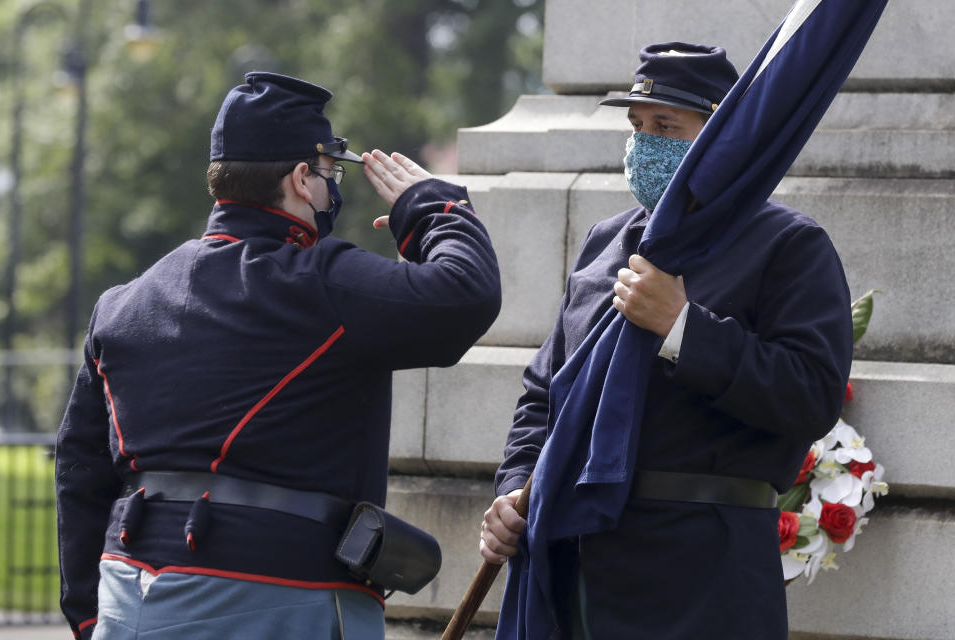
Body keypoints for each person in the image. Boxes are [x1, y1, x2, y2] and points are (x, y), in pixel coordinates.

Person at [55, 71, 501, 640]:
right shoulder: (321, 283)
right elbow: (467, 294)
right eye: (330, 173)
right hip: (283, 598)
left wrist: (90, 618)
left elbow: (79, 469)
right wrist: (433, 207)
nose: (332, 187)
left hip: (127, 597)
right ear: (299, 178)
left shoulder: (121, 303)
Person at [479, 43, 853, 638]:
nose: (643, 143)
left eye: (665, 126)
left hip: (702, 571)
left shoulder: (787, 245)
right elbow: (544, 395)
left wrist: (684, 329)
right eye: (635, 126)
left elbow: (811, 394)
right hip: (580, 567)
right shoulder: (608, 242)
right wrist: (512, 491)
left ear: (722, 137)